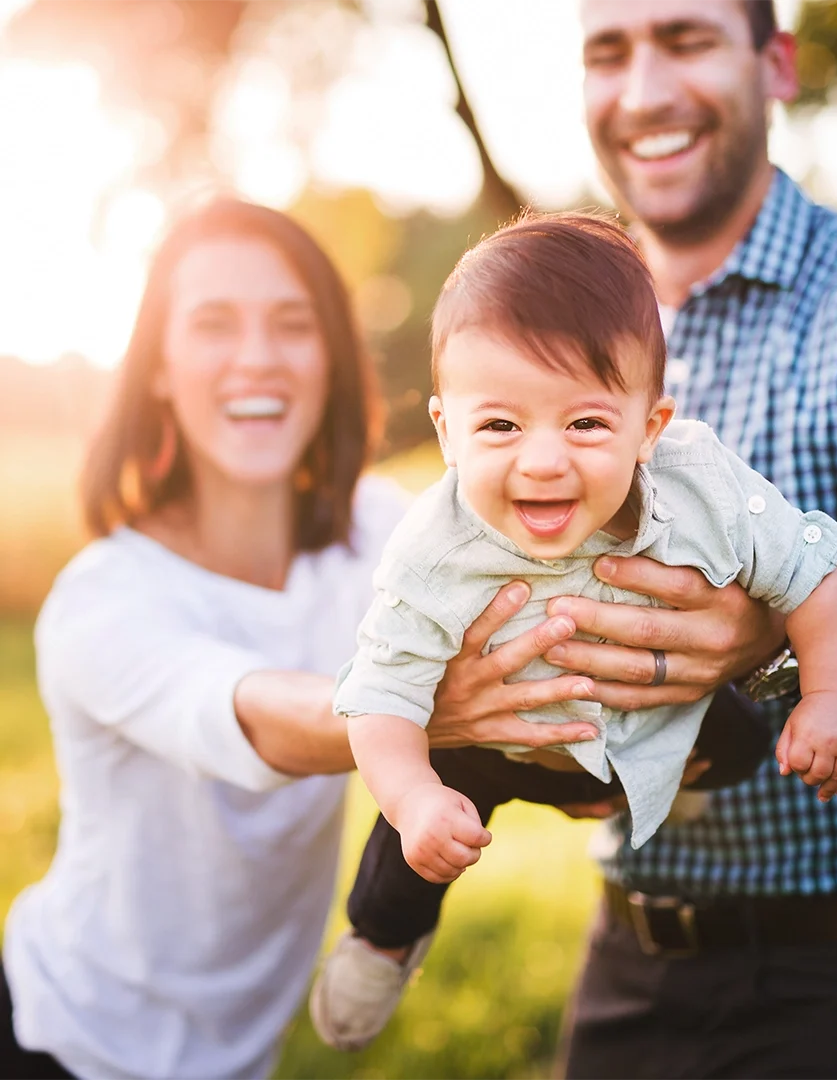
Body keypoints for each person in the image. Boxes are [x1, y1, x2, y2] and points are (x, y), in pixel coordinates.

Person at [0, 198, 604, 1080]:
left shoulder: (381, 535)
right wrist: (422, 705)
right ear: (160, 368)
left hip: (240, 1057)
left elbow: (525, 621)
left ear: (327, 357)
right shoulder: (103, 598)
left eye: (292, 325)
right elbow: (258, 716)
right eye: (213, 325)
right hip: (66, 1040)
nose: (257, 358)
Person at [542, 2, 837, 1078]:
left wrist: (774, 640)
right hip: (629, 960)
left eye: (687, 39)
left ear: (778, 65)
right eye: (607, 53)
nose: (644, 92)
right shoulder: (575, 339)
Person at [309, 212, 837, 1050]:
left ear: (650, 427)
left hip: (656, 714)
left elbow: (812, 576)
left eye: (585, 424)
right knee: (409, 840)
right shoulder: (432, 547)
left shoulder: (703, 488)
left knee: (751, 742)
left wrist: (831, 696)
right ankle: (382, 939)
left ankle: (649, 783)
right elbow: (379, 696)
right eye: (499, 424)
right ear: (445, 429)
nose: (542, 461)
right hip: (496, 743)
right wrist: (417, 795)